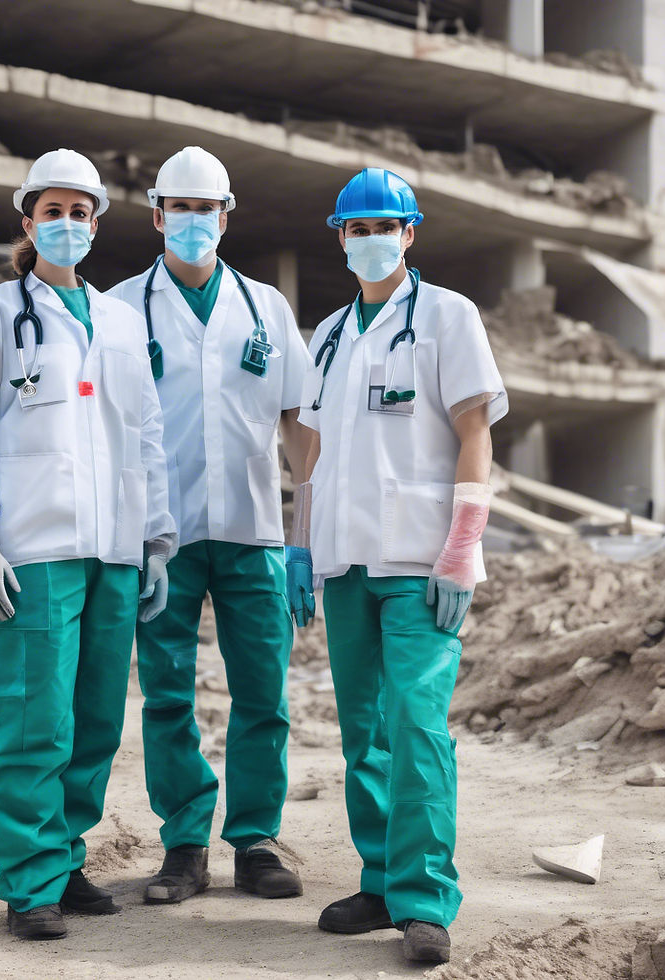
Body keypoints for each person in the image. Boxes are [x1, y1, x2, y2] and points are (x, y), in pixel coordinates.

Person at [0, 149, 177, 940]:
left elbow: (146, 431)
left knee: (94, 719)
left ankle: (64, 856)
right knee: (33, 717)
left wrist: (157, 539)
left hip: (112, 546)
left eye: (81, 213)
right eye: (54, 212)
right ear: (28, 222)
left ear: (97, 224)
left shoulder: (119, 318)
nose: (68, 225)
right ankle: (29, 881)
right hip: (34, 546)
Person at [298, 168, 508, 964]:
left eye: (386, 225)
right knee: (364, 732)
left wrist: (464, 543)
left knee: (417, 726)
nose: (371, 238)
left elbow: (474, 432)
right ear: (340, 236)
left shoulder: (449, 316)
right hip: (346, 560)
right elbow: (314, 453)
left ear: (411, 232)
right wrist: (300, 544)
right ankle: (380, 880)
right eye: (357, 228)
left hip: (424, 560)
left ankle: (424, 901)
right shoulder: (326, 335)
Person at [107, 146, 314, 904]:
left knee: (263, 692)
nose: (194, 222)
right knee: (167, 693)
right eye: (181, 209)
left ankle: (256, 840)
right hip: (161, 537)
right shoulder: (119, 308)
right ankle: (184, 846)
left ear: (228, 216)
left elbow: (297, 422)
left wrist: (306, 533)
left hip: (254, 531)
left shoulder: (266, 306)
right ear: (158, 214)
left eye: (208, 209)